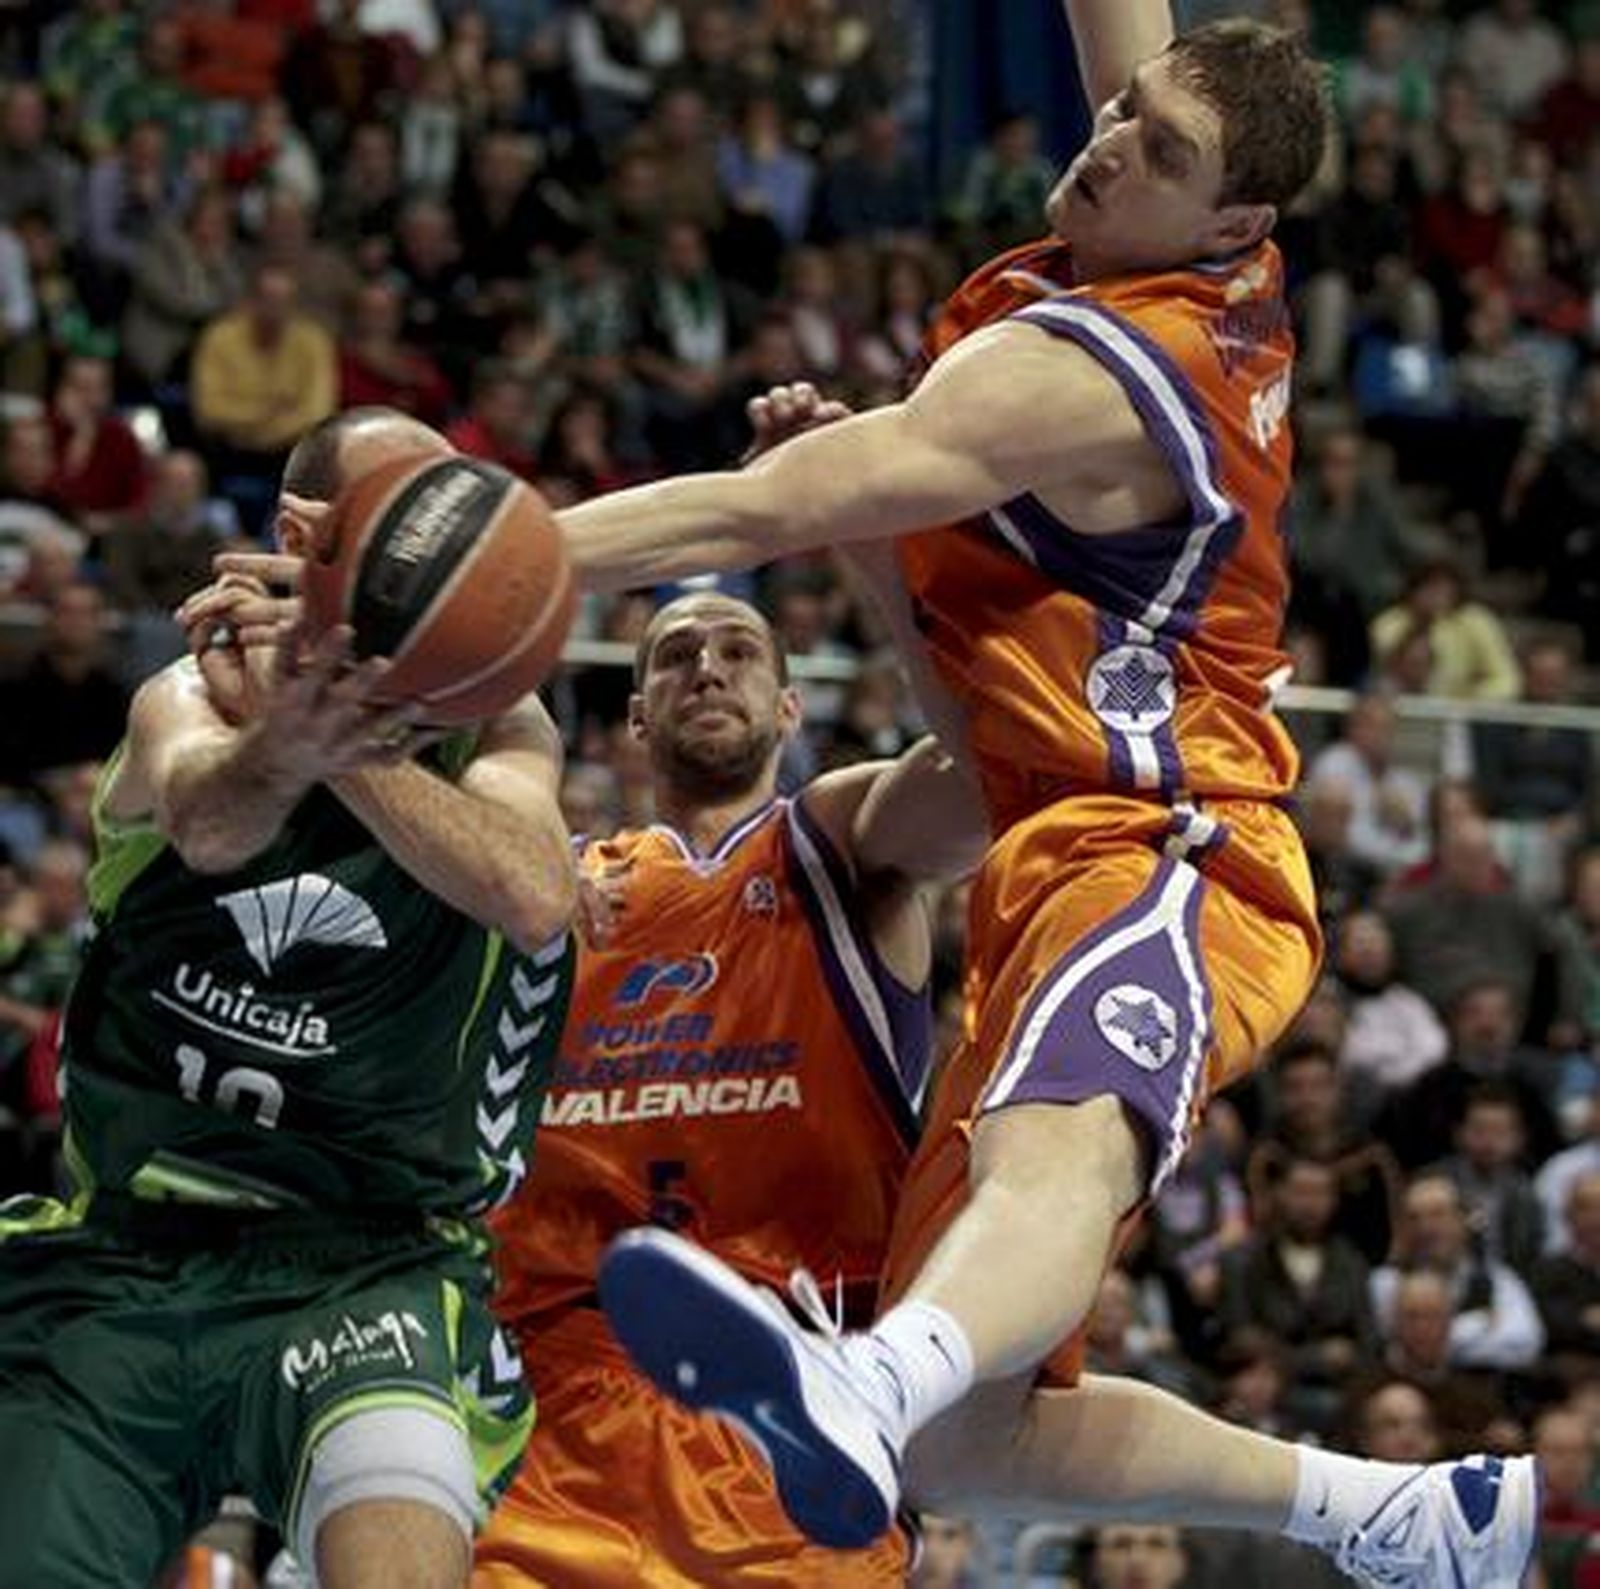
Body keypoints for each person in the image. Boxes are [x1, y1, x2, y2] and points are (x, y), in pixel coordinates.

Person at [463, 3, 1537, 1583]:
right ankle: (1393, 1515)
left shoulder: (1108, 376)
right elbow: (1136, 54)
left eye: (1153, 148)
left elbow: (787, 497)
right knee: (964, 1435)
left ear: (1233, 219)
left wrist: (499, 557)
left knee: (1052, 1160)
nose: (1106, 145)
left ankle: (863, 1373)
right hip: (1052, 843)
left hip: (1177, 842)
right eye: (1124, 117)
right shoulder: (1175, 219)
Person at [0, 407, 579, 1589]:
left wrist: (354, 744)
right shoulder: (183, 693)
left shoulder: (501, 727)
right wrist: (286, 735)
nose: (434, 535)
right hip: (131, 1249)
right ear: (307, 533)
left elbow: (530, 895)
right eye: (402, 513)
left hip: (366, 1264)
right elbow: (210, 824)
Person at [475, 592, 985, 1585]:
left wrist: (876, 537)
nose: (705, 667)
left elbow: (980, 782)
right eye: (672, 657)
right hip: (551, 1427)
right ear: (631, 719)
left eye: (738, 650)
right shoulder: (547, 890)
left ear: (790, 707)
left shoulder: (837, 847)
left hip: (792, 1409)